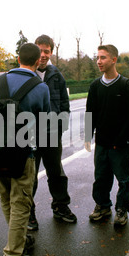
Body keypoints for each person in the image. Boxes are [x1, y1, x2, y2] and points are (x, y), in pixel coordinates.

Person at [0, 43, 50, 256]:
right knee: (21, 203)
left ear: (18, 58)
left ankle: (17, 240)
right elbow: (45, 124)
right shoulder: (40, 87)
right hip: (23, 153)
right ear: (38, 60)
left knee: (6, 198)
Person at [84, 44, 129, 226]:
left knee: (123, 179)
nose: (99, 61)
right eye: (97, 58)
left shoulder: (125, 85)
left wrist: (124, 140)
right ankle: (102, 206)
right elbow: (89, 113)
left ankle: (122, 209)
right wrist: (87, 136)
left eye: (103, 58)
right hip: (102, 143)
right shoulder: (95, 86)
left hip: (120, 145)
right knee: (101, 177)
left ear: (113, 60)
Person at [27, 34, 76, 231]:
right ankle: (28, 214)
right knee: (29, 177)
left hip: (52, 135)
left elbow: (64, 104)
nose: (43, 54)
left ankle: (60, 207)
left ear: (51, 53)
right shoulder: (26, 75)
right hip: (29, 136)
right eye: (40, 50)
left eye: (47, 51)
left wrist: (60, 127)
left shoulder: (56, 75)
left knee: (56, 173)